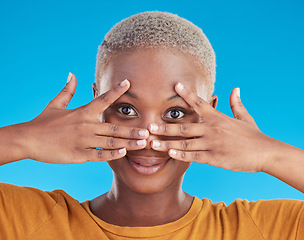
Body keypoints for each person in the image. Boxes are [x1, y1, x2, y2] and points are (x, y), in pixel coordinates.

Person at [0, 11, 303, 240]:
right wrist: (25, 139)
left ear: (209, 114)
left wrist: (269, 154)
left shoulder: (259, 229)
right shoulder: (27, 221)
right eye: (126, 108)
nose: (146, 136)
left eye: (174, 114)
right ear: (98, 105)